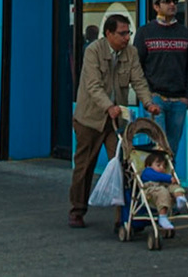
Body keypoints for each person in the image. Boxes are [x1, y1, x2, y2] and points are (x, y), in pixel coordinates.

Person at [68, 14, 159, 229]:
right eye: (122, 33)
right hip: (89, 119)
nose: (127, 37)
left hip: (116, 122)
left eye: (129, 33)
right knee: (84, 166)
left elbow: (138, 80)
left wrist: (148, 103)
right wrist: (108, 106)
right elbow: (92, 86)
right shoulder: (93, 51)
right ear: (108, 34)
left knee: (122, 166)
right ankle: (77, 210)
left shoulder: (131, 52)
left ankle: (123, 217)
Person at [136, 0, 188, 176]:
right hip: (156, 98)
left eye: (174, 2)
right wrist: (147, 97)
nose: (172, 5)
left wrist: (187, 97)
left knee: (173, 149)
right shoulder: (145, 33)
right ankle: (158, 189)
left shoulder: (185, 33)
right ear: (156, 6)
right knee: (160, 148)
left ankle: (168, 191)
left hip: (179, 100)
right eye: (167, 2)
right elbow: (136, 68)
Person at [138, 148, 187, 235]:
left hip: (164, 189)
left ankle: (179, 198)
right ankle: (162, 217)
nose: (162, 168)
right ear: (149, 165)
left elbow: (164, 179)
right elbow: (155, 176)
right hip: (152, 191)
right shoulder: (147, 172)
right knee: (162, 191)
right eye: (158, 165)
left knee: (174, 187)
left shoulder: (163, 176)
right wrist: (168, 178)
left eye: (164, 166)